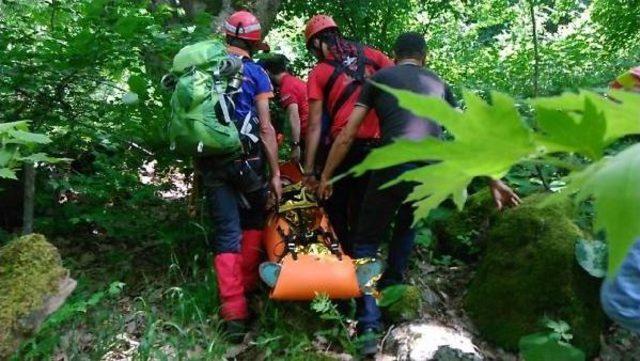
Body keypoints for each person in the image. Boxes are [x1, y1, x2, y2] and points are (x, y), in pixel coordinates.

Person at [318, 32, 521, 356]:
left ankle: (368, 324)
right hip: (431, 169)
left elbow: (348, 133)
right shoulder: (439, 84)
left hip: (393, 161)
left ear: (395, 55)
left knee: (366, 241)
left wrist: (326, 175)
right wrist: (494, 179)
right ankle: (394, 290)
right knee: (407, 227)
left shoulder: (381, 78)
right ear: (424, 57)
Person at [197, 10, 281, 342]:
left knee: (226, 233)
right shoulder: (257, 74)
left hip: (214, 164)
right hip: (250, 164)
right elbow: (265, 128)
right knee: (252, 224)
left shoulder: (205, 72)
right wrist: (275, 173)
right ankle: (248, 291)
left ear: (227, 37)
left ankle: (233, 313)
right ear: (255, 41)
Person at [302, 14, 394, 255]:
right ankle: (368, 260)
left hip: (343, 147)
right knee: (367, 206)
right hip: (379, 143)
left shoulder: (320, 72)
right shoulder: (374, 56)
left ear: (316, 43)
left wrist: (310, 170)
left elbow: (314, 125)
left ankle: (347, 258)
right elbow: (399, 83)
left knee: (335, 205)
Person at [259, 54, 309, 163]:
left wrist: (295, 146)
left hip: (308, 134)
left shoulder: (286, 87)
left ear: (267, 72)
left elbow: (293, 117)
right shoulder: (294, 81)